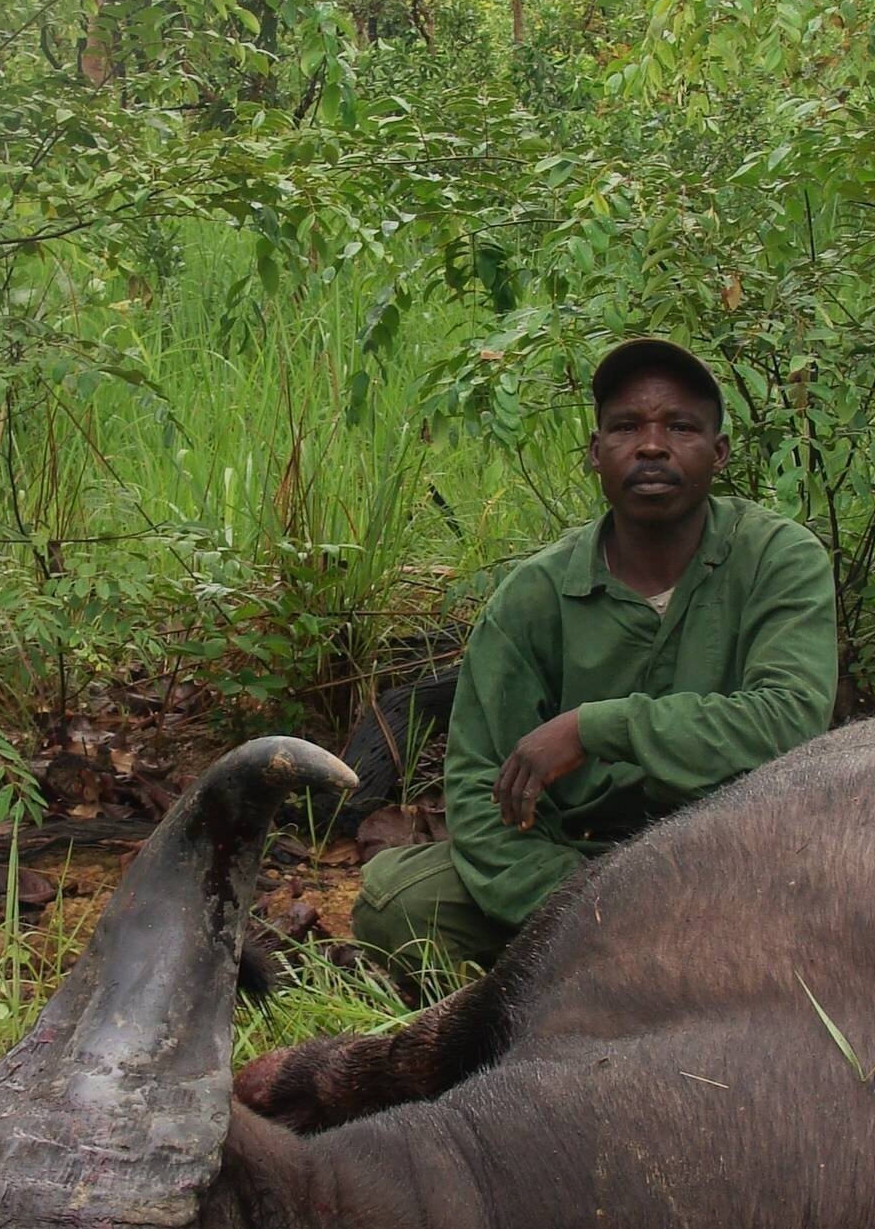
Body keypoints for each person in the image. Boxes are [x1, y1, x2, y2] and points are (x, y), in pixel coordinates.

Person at [351, 337, 838, 977]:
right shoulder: (533, 595)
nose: (652, 445)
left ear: (718, 454)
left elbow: (789, 720)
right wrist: (589, 907)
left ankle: (634, 968)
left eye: (680, 427)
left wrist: (592, 727)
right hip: (579, 866)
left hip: (744, 856)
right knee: (397, 907)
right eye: (626, 427)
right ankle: (625, 961)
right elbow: (477, 787)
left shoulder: (778, 559)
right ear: (595, 454)